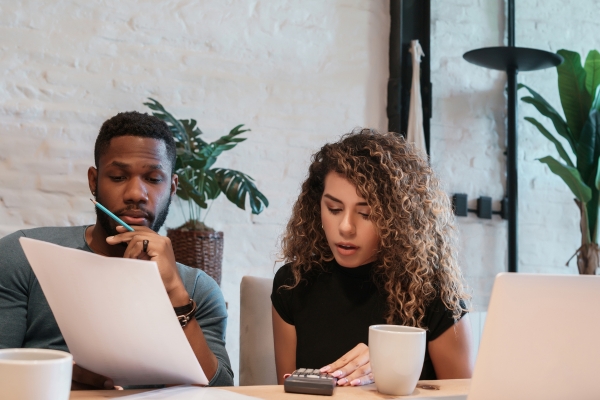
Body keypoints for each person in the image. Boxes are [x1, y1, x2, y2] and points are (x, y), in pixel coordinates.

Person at [0, 111, 233, 388]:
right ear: (93, 181)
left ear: (172, 187)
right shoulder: (23, 255)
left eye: (153, 179)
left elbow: (221, 389)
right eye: (119, 177)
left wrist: (174, 292)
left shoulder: (198, 289)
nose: (136, 193)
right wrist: (66, 373)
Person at [271, 129, 473, 386]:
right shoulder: (294, 283)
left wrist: (393, 368)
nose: (345, 227)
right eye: (333, 209)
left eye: (366, 214)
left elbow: (464, 396)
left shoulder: (434, 294)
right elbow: (285, 392)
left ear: (397, 219)